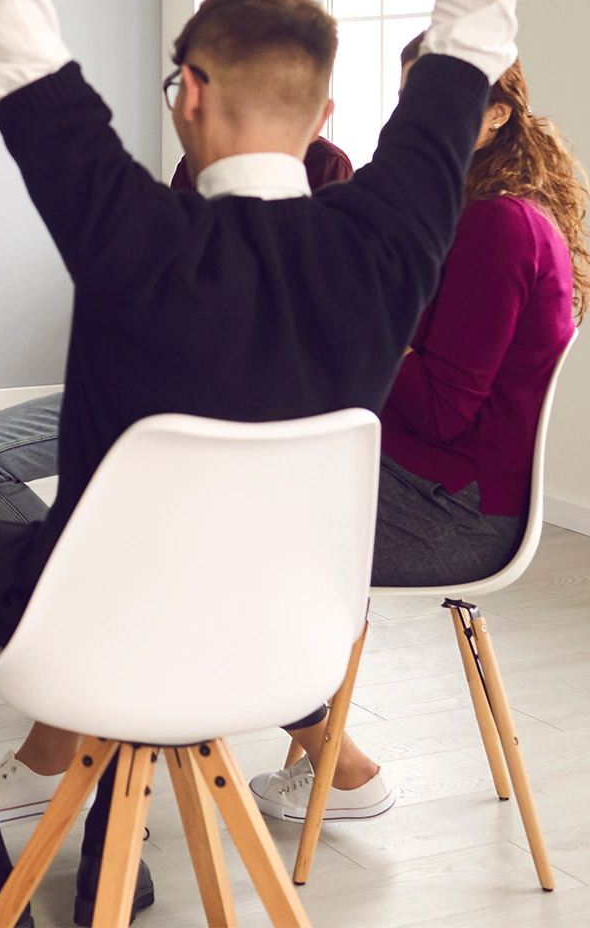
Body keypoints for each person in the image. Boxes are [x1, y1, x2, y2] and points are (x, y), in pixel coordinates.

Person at [0, 0, 584, 928]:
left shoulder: (132, 233)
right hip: (289, 648)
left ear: (186, 93)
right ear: (322, 106)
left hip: (95, 637)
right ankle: (105, 850)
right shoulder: (397, 234)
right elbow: (475, 18)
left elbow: (9, 32)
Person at [0, 136, 354, 835]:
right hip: (153, 397)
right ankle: (340, 762)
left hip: (233, 422)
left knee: (168, 563)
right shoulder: (188, 171)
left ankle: (55, 746)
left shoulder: (329, 174)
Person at [249, 45, 586, 823]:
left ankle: (346, 768)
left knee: (223, 536)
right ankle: (324, 752)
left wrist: (365, 321)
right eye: (408, 99)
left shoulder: (500, 226)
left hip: (458, 516)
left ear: (496, 115)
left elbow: (439, 409)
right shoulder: (468, 205)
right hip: (428, 479)